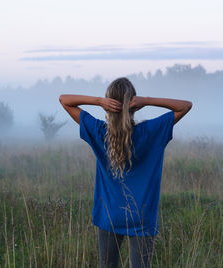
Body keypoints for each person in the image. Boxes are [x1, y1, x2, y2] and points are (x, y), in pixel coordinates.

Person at [59, 77, 192, 268]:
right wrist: (147, 100)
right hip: (142, 216)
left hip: (109, 214)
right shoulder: (151, 131)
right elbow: (185, 106)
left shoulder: (99, 132)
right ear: (134, 104)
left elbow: (64, 100)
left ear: (108, 105)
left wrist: (98, 102)